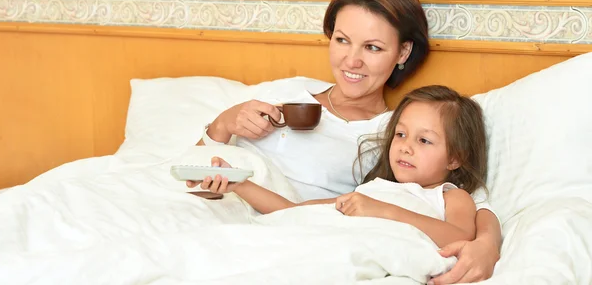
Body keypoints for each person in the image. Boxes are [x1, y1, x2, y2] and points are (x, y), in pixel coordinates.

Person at [191, 0, 501, 283]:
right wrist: (223, 124)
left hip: (282, 233)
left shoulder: (393, 133)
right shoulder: (290, 89)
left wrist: (487, 245)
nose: (352, 61)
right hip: (211, 207)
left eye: (373, 48)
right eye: (342, 40)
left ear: (403, 53)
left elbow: (469, 203)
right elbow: (192, 173)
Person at [193, 85, 488, 250]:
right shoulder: (370, 191)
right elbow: (295, 210)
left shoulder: (449, 196)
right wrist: (239, 184)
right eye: (400, 134)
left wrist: (384, 211)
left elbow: (461, 238)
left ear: (454, 158)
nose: (406, 146)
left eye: (424, 140)